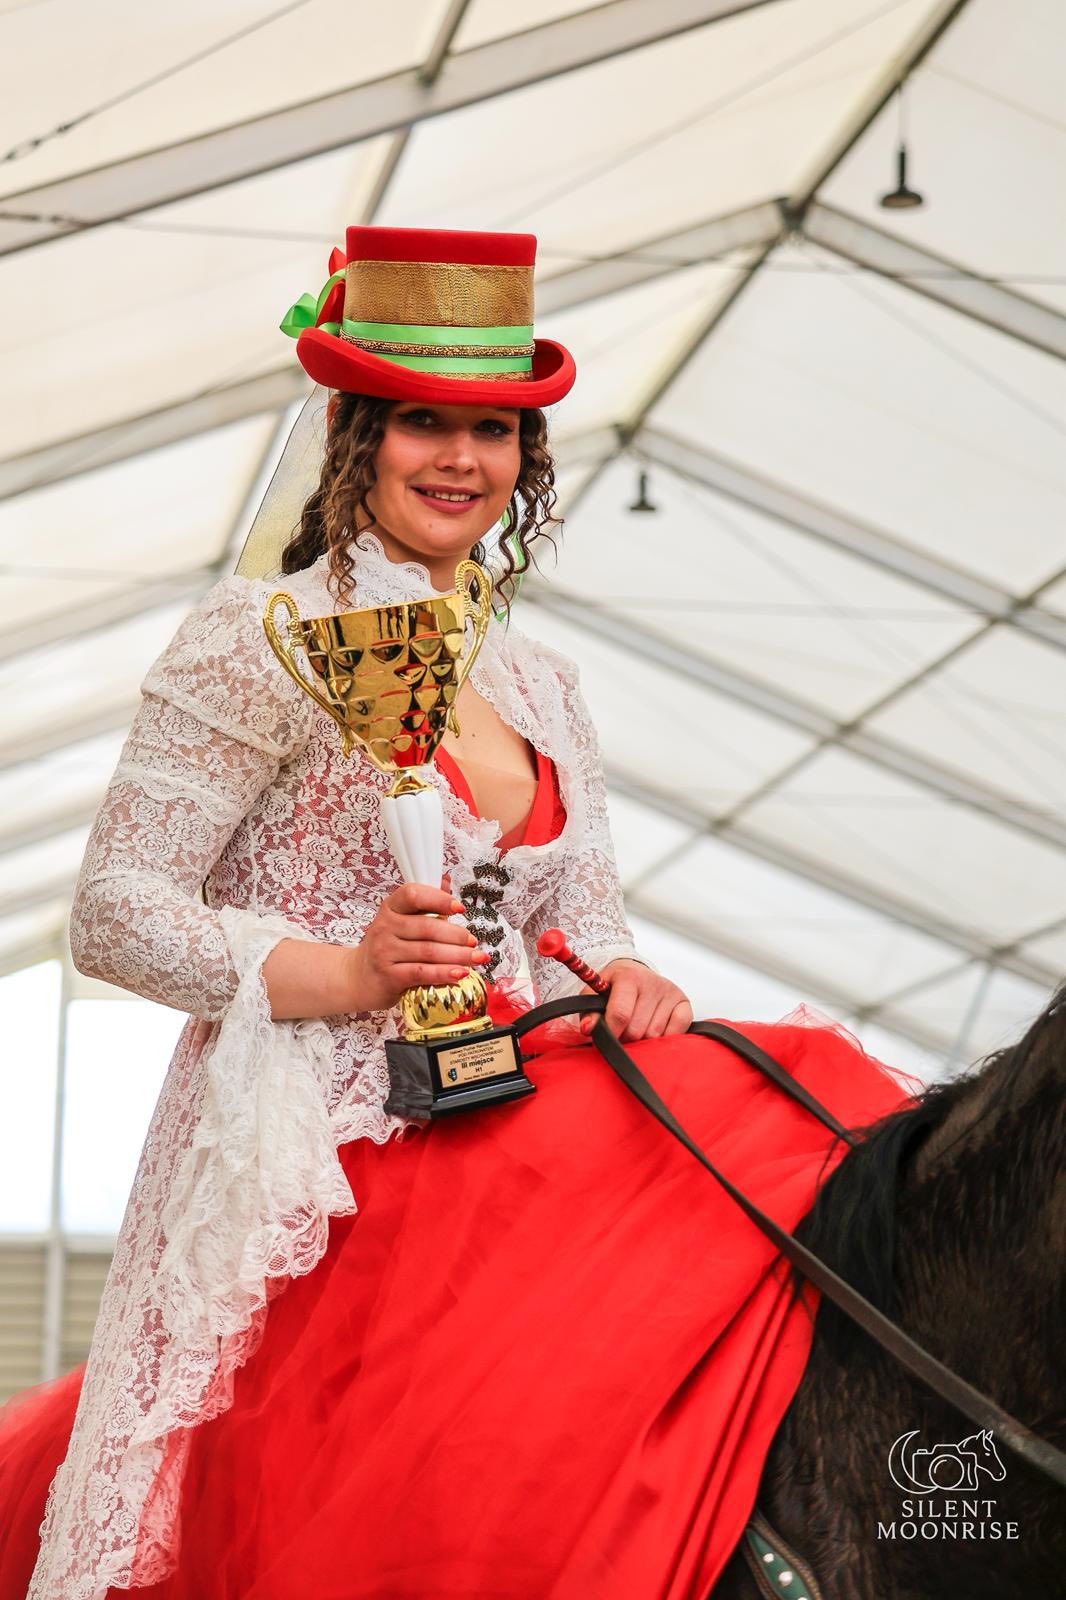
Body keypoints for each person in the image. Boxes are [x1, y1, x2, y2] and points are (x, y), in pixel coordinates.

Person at [0, 227, 916, 1600]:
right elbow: (115, 915)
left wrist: (625, 978)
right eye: (424, 421)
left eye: (493, 429)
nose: (460, 458)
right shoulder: (258, 638)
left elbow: (587, 914)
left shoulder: (544, 682)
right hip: (320, 1133)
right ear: (355, 437)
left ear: (523, 458)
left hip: (502, 1086)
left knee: (796, 1099)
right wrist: (350, 970)